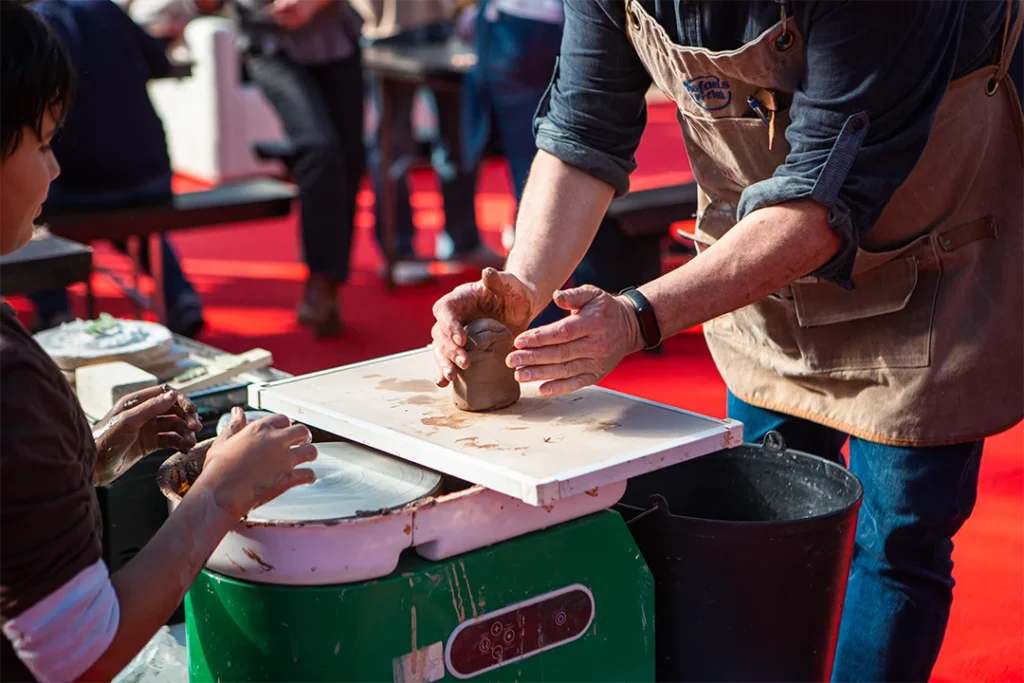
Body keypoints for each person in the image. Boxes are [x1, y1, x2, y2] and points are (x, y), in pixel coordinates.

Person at [430, 1, 1024, 682]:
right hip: (752, 263)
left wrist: (640, 316)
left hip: (930, 251)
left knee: (896, 541)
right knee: (755, 517)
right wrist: (519, 286)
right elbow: (584, 127)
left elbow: (821, 203)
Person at [0, 6, 318, 680]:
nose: (56, 168)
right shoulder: (13, 386)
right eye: (43, 143)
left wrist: (90, 456)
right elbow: (77, 654)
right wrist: (221, 494)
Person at [28, 0, 206, 338]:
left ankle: (53, 308)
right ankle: (180, 295)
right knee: (131, 212)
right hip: (148, 177)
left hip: (76, 185)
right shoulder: (104, 8)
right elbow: (159, 62)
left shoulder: (31, 25)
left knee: (26, 204)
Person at [195, 0, 365, 338]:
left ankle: (329, 281)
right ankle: (320, 280)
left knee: (348, 160)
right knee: (319, 147)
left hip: (336, 37)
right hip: (269, 41)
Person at [352, 0, 502, 276]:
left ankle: (462, 242)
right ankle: (398, 251)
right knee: (393, 146)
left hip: (444, 22)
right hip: (386, 27)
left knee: (459, 139)